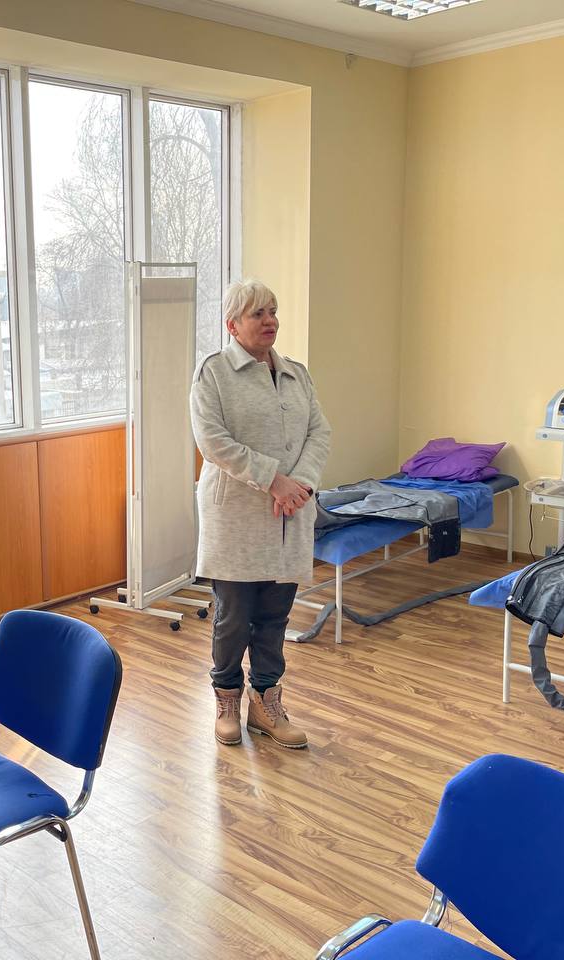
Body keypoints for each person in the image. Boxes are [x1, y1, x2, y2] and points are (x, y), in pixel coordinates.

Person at [190, 279, 332, 749]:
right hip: (237, 516)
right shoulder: (214, 373)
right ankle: (227, 700)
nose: (270, 320)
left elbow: (319, 432)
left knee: (274, 616)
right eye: (257, 314)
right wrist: (274, 480)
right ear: (232, 325)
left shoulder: (296, 374)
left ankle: (266, 704)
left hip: (291, 511)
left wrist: (300, 484)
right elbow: (213, 442)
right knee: (233, 617)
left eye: (272, 311)